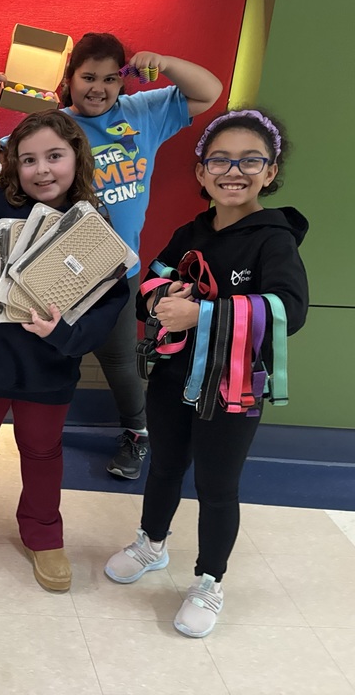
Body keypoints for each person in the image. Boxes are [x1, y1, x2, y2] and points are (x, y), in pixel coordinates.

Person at [0, 33, 223, 480]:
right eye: (88, 77)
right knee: (51, 351)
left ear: (123, 80)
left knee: (119, 359)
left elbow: (209, 91)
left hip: (115, 271)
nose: (98, 88)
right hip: (51, 267)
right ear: (69, 79)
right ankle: (42, 436)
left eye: (110, 78)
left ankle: (138, 432)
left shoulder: (143, 113)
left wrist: (164, 58)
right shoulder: (56, 126)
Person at [104, 109, 308, 638]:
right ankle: (152, 543)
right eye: (219, 159)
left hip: (233, 386)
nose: (232, 171)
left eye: (249, 160)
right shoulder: (190, 232)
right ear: (200, 173)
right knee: (165, 466)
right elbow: (150, 282)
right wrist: (163, 297)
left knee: (218, 485)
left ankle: (209, 579)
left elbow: (289, 309)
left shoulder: (274, 237)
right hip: (174, 375)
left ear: (271, 170)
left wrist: (203, 313)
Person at [0, 110, 128, 591]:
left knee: (41, 451)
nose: (42, 170)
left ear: (77, 156)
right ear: (14, 165)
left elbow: (109, 301)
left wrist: (63, 337)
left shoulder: (94, 223)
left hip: (49, 366)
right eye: (29, 159)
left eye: (54, 156)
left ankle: (43, 534)